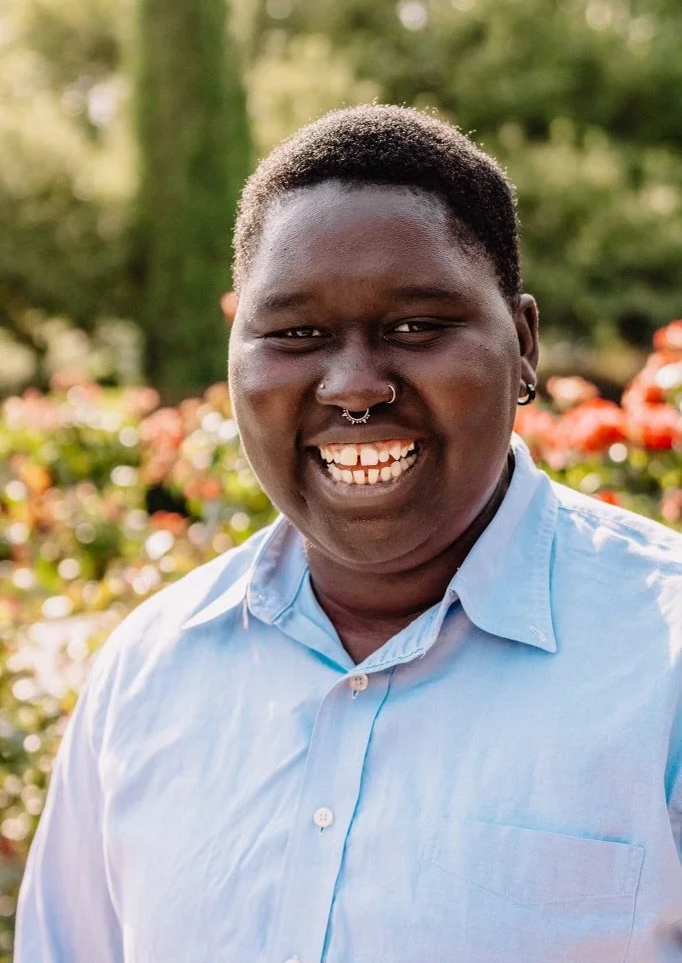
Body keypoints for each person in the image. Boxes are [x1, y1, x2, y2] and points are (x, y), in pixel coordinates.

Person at [16, 105, 682, 962]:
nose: (355, 386)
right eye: (296, 333)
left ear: (522, 344)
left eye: (416, 326)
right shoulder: (148, 671)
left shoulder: (661, 660)